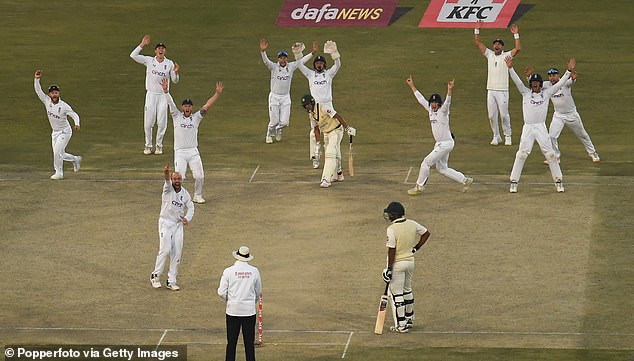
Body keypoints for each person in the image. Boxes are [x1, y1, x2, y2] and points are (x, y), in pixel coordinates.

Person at [505, 57, 576, 193]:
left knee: (550, 155)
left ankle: (558, 181)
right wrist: (510, 68)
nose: (536, 84)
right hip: (528, 128)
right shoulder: (525, 93)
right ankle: (514, 182)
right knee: (521, 154)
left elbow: (560, 84)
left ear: (540, 84)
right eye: (533, 82)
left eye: (537, 82)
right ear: (531, 84)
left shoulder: (547, 93)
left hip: (541, 127)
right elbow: (517, 82)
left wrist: (568, 71)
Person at [405, 76, 473, 196]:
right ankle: (465, 180)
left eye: (435, 103)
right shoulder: (430, 111)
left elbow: (448, 102)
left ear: (439, 103)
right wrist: (412, 86)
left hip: (446, 143)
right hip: (441, 144)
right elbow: (420, 99)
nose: (433, 104)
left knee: (426, 163)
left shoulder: (443, 111)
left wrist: (449, 90)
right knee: (442, 168)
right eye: (432, 102)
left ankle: (419, 186)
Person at [161, 79, 224, 204]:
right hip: (180, 152)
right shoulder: (176, 116)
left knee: (200, 176)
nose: (187, 108)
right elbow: (170, 103)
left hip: (193, 151)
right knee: (180, 177)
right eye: (185, 106)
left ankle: (197, 195)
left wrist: (217, 94)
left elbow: (207, 105)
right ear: (182, 107)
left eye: (189, 106)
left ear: (192, 108)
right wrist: (166, 91)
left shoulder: (196, 118)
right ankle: (178, 197)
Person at [298, 40, 351, 179]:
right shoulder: (310, 74)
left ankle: (337, 167)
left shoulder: (329, 74)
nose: (319, 65)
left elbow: (338, 65)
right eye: (317, 63)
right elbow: (299, 64)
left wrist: (334, 53)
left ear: (324, 65)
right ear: (314, 65)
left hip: (327, 107)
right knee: (313, 133)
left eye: (321, 63)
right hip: (313, 108)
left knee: (331, 137)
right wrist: (310, 53)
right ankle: (316, 156)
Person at [524, 67, 600, 164]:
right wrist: (529, 77)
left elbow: (571, 82)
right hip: (558, 116)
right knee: (551, 136)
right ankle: (556, 157)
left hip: (571, 115)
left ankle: (593, 153)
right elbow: (536, 85)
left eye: (554, 75)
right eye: (550, 76)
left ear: (558, 76)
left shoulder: (565, 83)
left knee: (583, 135)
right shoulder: (546, 85)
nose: (552, 78)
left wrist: (573, 78)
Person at [381, 202, 430, 333]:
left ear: (394, 215)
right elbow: (426, 233)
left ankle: (401, 325)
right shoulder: (412, 223)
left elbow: (391, 251)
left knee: (397, 295)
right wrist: (415, 248)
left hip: (397, 264)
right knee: (407, 290)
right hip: (410, 262)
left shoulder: (391, 229)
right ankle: (409, 319)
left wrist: (389, 268)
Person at [130, 35, 180, 155]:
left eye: (162, 48)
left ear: (165, 51)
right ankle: (148, 146)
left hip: (163, 96)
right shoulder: (149, 60)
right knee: (148, 123)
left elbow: (175, 80)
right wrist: (142, 44)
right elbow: (133, 55)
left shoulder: (169, 64)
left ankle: (159, 146)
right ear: (155, 51)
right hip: (151, 95)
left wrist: (176, 73)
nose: (160, 50)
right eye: (158, 48)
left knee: (162, 122)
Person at [259, 38, 316, 144]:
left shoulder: (291, 66)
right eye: (281, 58)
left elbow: (301, 61)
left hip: (285, 97)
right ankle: (269, 135)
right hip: (274, 97)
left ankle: (278, 130)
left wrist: (312, 53)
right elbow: (266, 61)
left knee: (285, 122)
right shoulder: (274, 67)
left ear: (287, 59)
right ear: (278, 60)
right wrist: (263, 51)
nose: (283, 60)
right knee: (274, 121)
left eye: (284, 58)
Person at [474, 21, 521, 146]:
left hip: (503, 91)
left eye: (499, 44)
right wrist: (477, 30)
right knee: (491, 116)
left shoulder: (507, 56)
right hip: (491, 90)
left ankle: (508, 136)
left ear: (502, 47)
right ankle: (496, 136)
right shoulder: (489, 55)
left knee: (504, 115)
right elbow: (478, 43)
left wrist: (516, 35)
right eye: (495, 44)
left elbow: (517, 49)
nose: (496, 46)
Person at [150, 164, 194, 291]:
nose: (176, 181)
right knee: (165, 250)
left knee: (177, 253)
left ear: (181, 180)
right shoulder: (167, 189)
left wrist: (188, 218)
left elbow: (191, 206)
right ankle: (155, 276)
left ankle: (171, 280)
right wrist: (166, 173)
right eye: (174, 179)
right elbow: (167, 180)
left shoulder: (185, 194)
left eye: (178, 179)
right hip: (165, 223)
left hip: (178, 224)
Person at [34, 70, 82, 180]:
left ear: (58, 93)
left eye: (56, 93)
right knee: (61, 153)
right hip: (55, 132)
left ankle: (59, 172)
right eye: (52, 93)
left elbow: (74, 114)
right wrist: (37, 79)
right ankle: (75, 159)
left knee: (57, 152)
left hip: (65, 131)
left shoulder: (64, 106)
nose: (54, 94)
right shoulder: (46, 101)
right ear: (50, 94)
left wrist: (77, 123)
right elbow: (38, 91)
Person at [218, 246, 262, 361]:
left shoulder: (228, 271)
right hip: (248, 312)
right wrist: (251, 302)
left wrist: (230, 300)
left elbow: (221, 292)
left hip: (233, 311)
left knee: (231, 344)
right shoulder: (254, 271)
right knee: (249, 345)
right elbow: (258, 291)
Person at [300, 94, 355, 188]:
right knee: (334, 152)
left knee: (330, 153)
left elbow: (337, 116)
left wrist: (347, 128)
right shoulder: (311, 115)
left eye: (307, 105)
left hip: (336, 130)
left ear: (312, 103)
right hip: (326, 133)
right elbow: (316, 129)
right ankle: (339, 174)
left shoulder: (323, 108)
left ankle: (326, 179)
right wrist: (317, 144)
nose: (306, 107)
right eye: (304, 106)